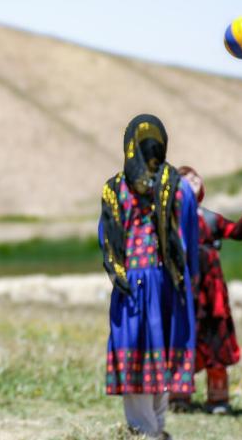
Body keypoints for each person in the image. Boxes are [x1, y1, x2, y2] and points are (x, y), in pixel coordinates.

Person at [98, 115, 199, 438]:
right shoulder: (178, 187)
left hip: (131, 285)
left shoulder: (116, 188)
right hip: (170, 282)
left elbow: (107, 240)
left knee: (138, 354)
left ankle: (145, 430)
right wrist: (191, 282)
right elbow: (190, 241)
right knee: (161, 353)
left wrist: (119, 274)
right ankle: (156, 427)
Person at [169, 167, 242, 413]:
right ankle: (178, 396)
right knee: (182, 339)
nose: (193, 179)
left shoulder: (210, 218)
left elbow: (237, 232)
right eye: (185, 178)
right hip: (184, 289)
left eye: (195, 176)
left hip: (212, 291)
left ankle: (218, 399)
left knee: (216, 340)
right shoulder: (170, 220)